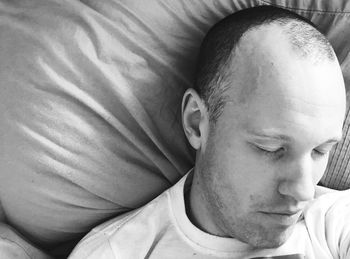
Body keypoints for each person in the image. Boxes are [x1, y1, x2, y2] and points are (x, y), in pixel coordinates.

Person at [68, 5, 350, 258]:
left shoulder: (333, 222)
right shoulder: (115, 251)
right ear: (196, 123)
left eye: (319, 151)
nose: (304, 191)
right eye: (271, 148)